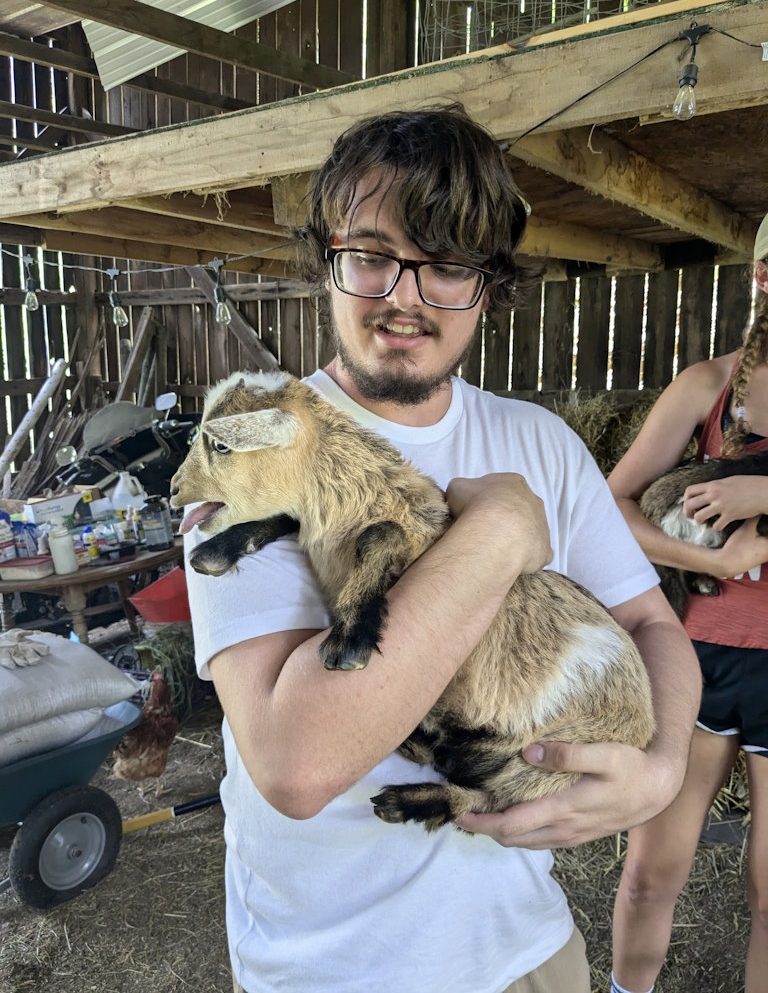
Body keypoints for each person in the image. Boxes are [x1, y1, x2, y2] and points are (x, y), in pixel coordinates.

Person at [183, 104, 700, 993]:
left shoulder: (540, 440)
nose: (405, 298)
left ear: (488, 284)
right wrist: (498, 535)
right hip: (330, 968)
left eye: (449, 266)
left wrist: (662, 768)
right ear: (328, 258)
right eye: (373, 255)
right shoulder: (257, 439)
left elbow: (653, 622)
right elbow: (296, 765)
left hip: (527, 948)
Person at [608, 214, 768, 993]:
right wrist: (719, 554)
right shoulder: (706, 386)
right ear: (763, 278)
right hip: (695, 658)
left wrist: (760, 492)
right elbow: (613, 505)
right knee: (648, 873)